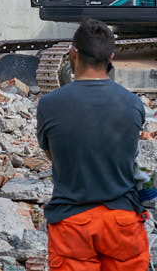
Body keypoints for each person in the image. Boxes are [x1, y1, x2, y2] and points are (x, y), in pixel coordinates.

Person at [36, 18, 149, 271]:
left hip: (71, 222)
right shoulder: (132, 104)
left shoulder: (49, 104)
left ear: (73, 52)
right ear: (111, 56)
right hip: (122, 220)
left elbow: (53, 155)